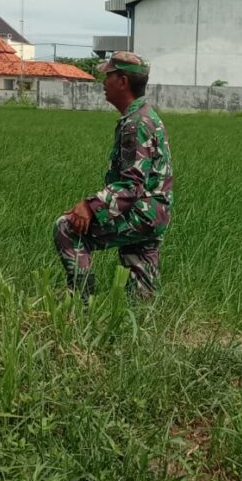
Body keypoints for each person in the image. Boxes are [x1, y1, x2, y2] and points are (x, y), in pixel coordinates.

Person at [54, 51, 173, 298]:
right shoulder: (145, 116)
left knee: (67, 228)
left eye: (108, 75)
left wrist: (91, 205)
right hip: (154, 212)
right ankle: (140, 324)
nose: (103, 83)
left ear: (123, 82)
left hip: (141, 212)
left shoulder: (136, 124)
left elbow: (131, 185)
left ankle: (81, 305)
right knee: (140, 279)